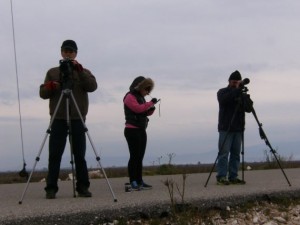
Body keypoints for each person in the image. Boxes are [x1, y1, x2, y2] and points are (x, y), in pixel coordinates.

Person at [39, 40, 97, 199]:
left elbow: (92, 86)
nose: (68, 53)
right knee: (54, 155)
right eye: (65, 51)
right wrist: (51, 86)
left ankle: (83, 187)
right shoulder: (52, 72)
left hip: (77, 117)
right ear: (61, 52)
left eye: (71, 51)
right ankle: (51, 188)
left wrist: (80, 71)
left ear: (76, 53)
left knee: (79, 155)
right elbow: (43, 94)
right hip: (58, 118)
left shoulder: (83, 71)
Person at [216, 70, 252, 185]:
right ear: (229, 81)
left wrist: (245, 96)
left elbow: (249, 109)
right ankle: (221, 176)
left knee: (236, 154)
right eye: (234, 82)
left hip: (238, 129)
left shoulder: (241, 94)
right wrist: (236, 90)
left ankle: (233, 176)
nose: (236, 83)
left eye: (237, 82)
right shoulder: (222, 92)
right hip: (225, 128)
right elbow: (224, 100)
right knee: (223, 153)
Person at [123, 76, 158, 191]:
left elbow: (144, 112)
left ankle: (139, 180)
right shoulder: (129, 96)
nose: (147, 92)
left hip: (141, 129)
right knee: (134, 156)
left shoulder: (141, 98)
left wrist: (151, 109)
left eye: (149, 90)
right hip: (131, 130)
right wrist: (149, 104)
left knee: (140, 157)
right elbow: (137, 109)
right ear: (140, 87)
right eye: (146, 89)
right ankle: (133, 180)